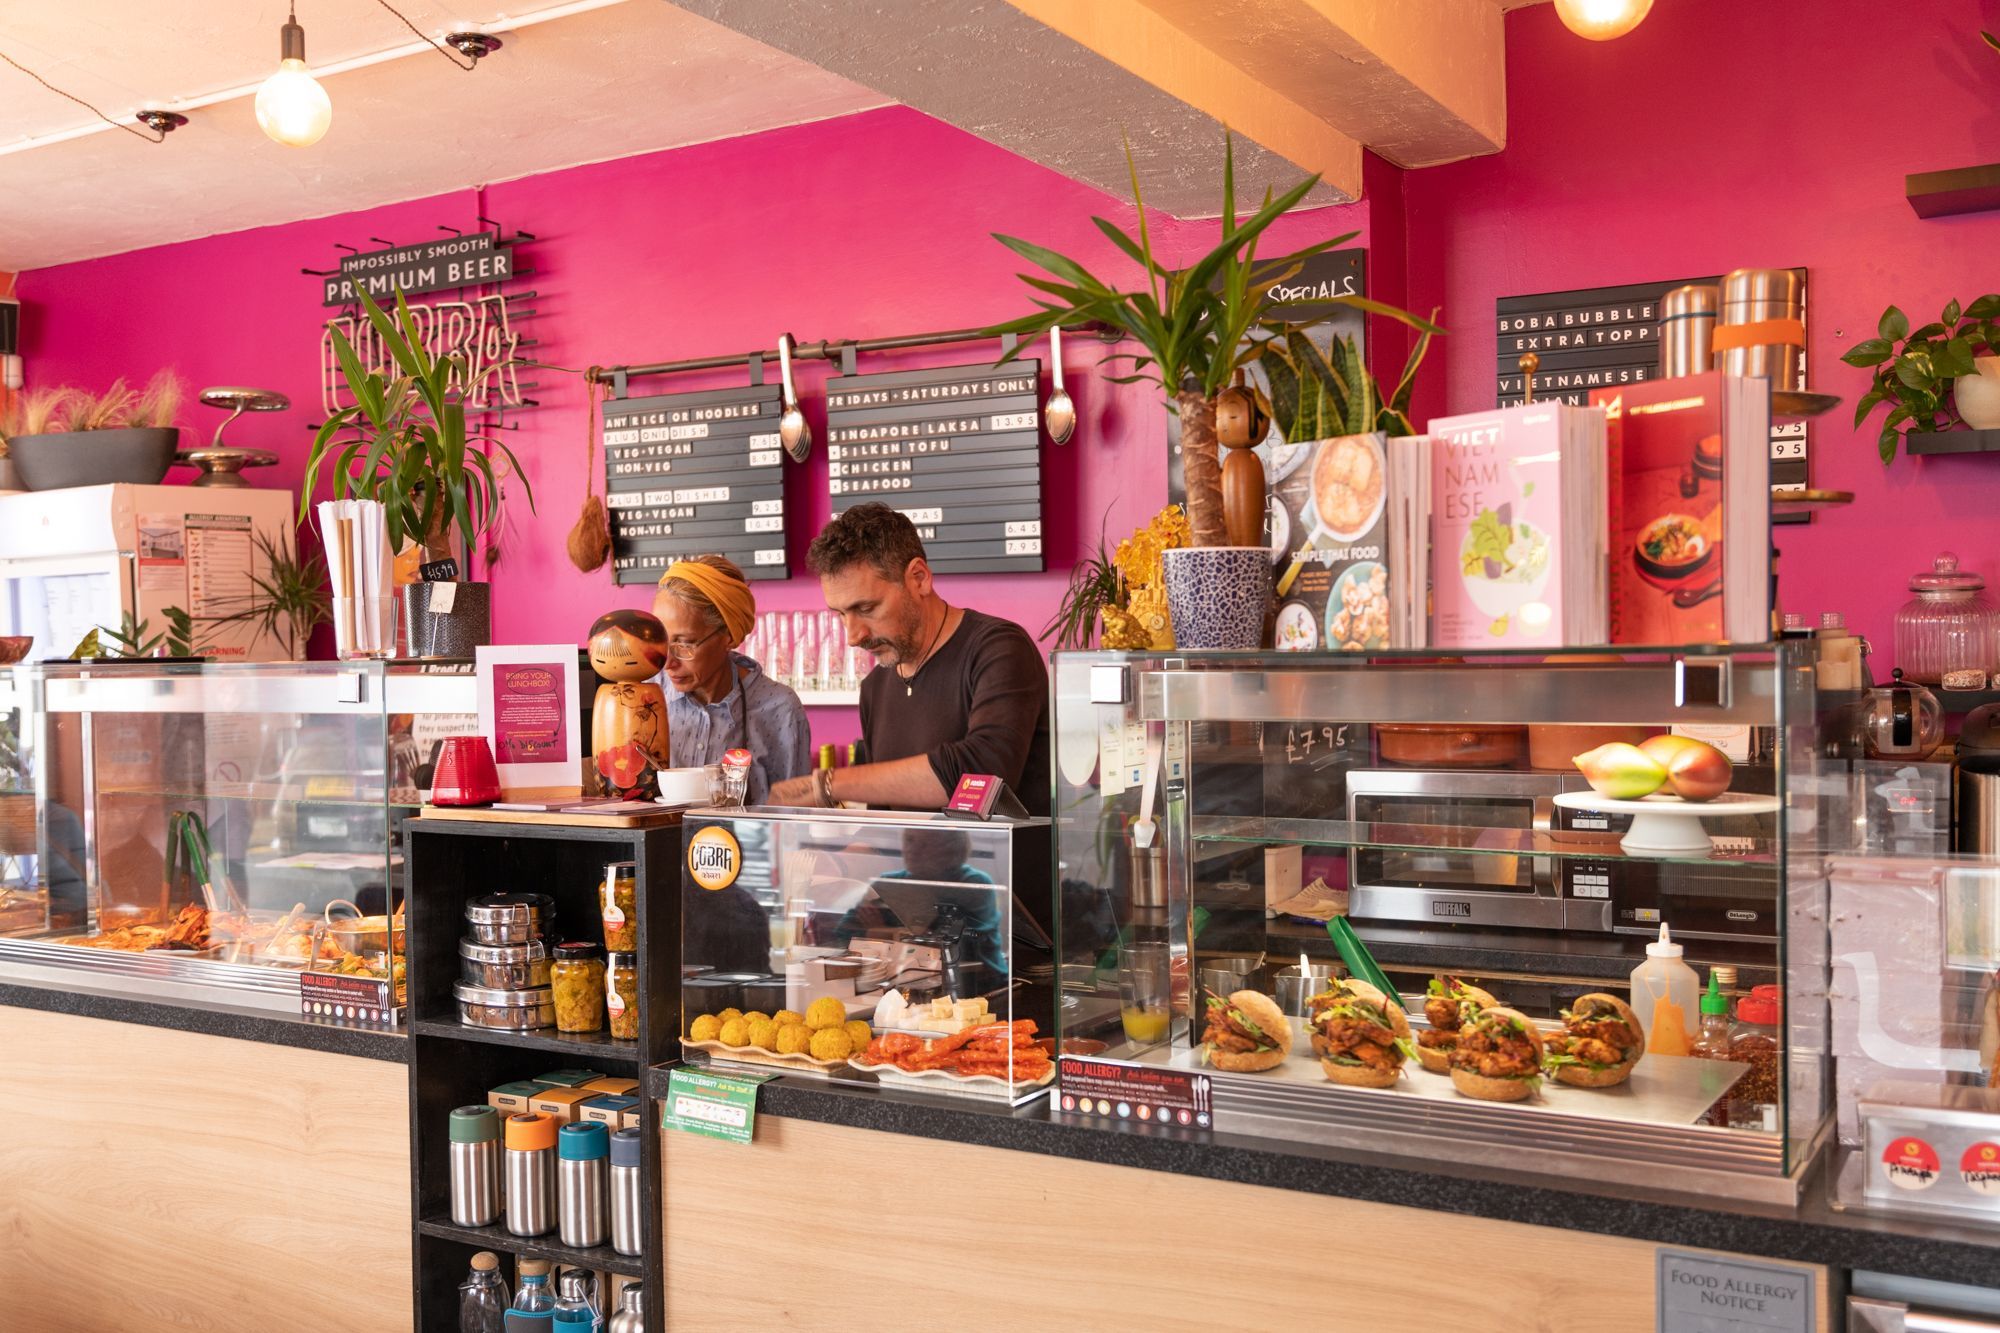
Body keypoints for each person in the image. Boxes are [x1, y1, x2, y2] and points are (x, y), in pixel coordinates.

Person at [768, 503, 1050, 815]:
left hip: (1003, 865)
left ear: (918, 578)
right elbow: (884, 822)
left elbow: (984, 772)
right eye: (841, 614)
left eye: (866, 608)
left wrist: (826, 784)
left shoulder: (998, 649)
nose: (853, 636)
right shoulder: (875, 687)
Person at [652, 554, 811, 806]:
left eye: (685, 644)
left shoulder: (779, 708)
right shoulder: (644, 698)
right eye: (661, 640)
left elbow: (795, 817)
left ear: (728, 635)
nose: (668, 662)